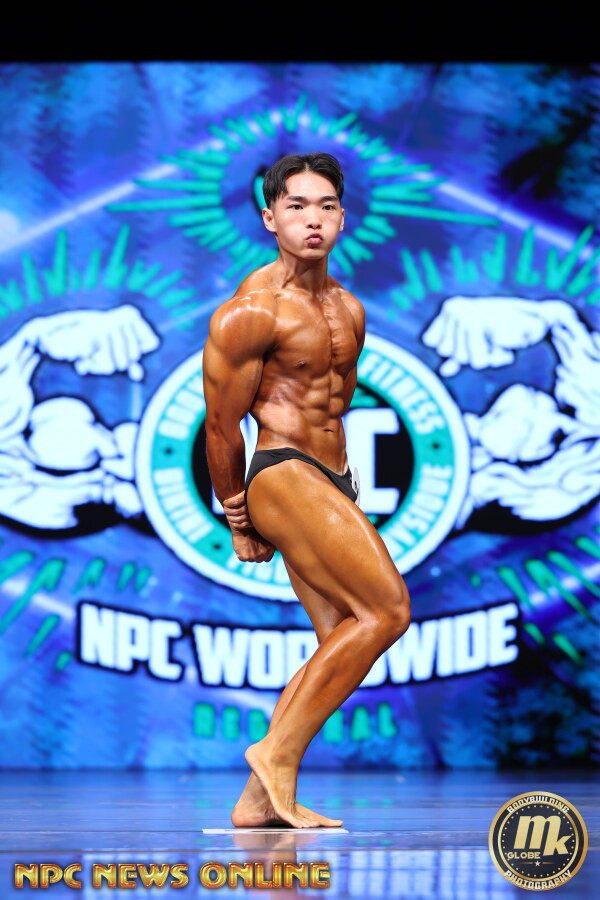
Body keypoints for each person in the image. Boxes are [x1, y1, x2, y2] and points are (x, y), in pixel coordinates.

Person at [202, 152, 411, 829]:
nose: (312, 220)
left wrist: (344, 494)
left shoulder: (349, 308)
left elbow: (333, 409)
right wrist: (238, 518)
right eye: (296, 206)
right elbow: (222, 426)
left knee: (344, 634)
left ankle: (256, 801)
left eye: (326, 206)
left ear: (343, 218)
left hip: (332, 481)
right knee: (388, 612)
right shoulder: (250, 313)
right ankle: (277, 755)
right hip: (280, 471)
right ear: (271, 218)